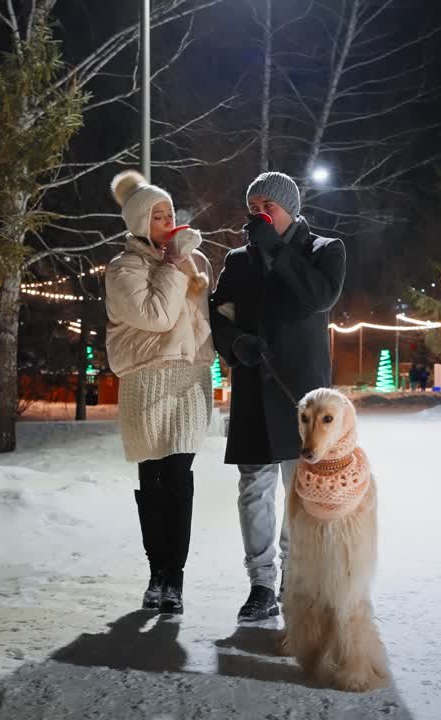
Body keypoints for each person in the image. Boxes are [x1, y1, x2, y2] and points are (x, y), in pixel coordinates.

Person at [209, 171, 347, 622]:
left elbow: (316, 298)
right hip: (254, 387)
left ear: (290, 207)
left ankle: (295, 576)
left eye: (267, 206)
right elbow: (218, 314)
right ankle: (261, 583)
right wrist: (234, 344)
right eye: (253, 208)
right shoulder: (237, 260)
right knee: (254, 489)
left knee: (300, 493)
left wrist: (276, 249)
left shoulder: (325, 250)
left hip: (300, 396)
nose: (258, 215)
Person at [105, 169, 214, 615]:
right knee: (152, 483)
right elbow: (156, 315)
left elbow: (205, 319)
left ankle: (176, 581)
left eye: (170, 214)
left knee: (179, 479)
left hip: (188, 381)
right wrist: (171, 266)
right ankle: (157, 573)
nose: (168, 223)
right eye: (157, 216)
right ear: (138, 223)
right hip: (145, 384)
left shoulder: (195, 264)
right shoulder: (122, 268)